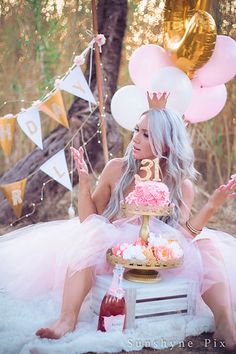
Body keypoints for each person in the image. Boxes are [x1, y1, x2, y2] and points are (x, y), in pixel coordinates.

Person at [0, 94, 236, 350]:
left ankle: (225, 324)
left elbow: (184, 237)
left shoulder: (181, 184)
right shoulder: (117, 168)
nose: (135, 137)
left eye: (146, 135)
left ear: (166, 144)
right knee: (90, 237)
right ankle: (66, 319)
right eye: (137, 130)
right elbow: (89, 221)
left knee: (208, 246)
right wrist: (85, 183)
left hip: (157, 257)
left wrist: (212, 206)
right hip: (111, 255)